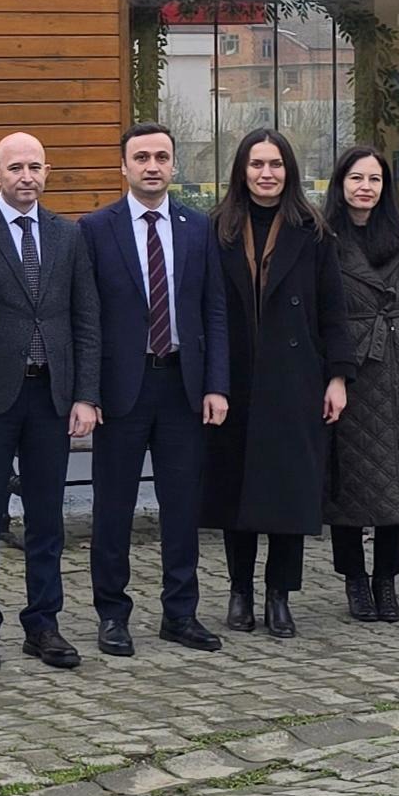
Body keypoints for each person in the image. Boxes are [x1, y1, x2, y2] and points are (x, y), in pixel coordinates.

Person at [0, 133, 101, 672]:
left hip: (51, 396)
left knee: (46, 518)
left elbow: (86, 318)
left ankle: (43, 624)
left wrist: (86, 395)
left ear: (47, 171)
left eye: (35, 167)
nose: (26, 177)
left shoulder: (68, 235)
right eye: (15, 168)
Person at [78, 124, 229, 657]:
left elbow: (214, 310)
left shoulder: (197, 227)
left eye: (161, 157)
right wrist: (87, 392)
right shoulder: (96, 229)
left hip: (182, 386)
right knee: (113, 507)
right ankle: (112, 614)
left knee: (182, 508)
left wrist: (216, 385)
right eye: (141, 157)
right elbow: (86, 317)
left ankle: (180, 614)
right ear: (123, 166)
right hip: (122, 389)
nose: (152, 166)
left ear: (174, 165)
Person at [202, 129, 353, 638]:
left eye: (275, 164)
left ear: (288, 171)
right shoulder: (217, 229)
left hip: (295, 379)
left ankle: (279, 595)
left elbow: (333, 309)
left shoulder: (313, 230)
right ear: (241, 171)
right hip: (235, 379)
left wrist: (337, 377)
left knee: (290, 492)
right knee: (236, 491)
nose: (266, 174)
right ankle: (240, 592)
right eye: (256, 164)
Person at [322, 146, 399, 624]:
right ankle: (355, 579)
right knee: (349, 484)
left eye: (374, 179)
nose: (366, 187)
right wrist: (328, 373)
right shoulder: (323, 238)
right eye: (357, 178)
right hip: (348, 368)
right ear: (341, 183)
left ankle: (386, 580)